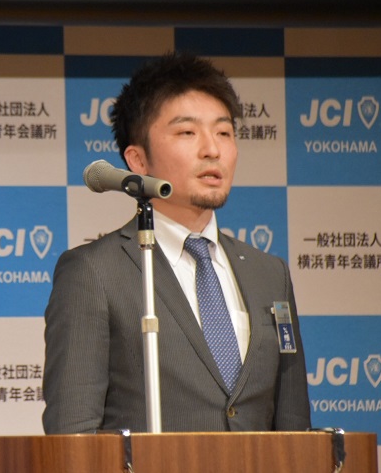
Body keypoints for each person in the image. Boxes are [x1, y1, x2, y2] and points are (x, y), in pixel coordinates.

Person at [43, 52, 310, 434]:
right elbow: (73, 435)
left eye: (224, 132)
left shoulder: (269, 274)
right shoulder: (94, 273)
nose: (212, 149)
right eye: (188, 133)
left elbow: (295, 429)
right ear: (137, 160)